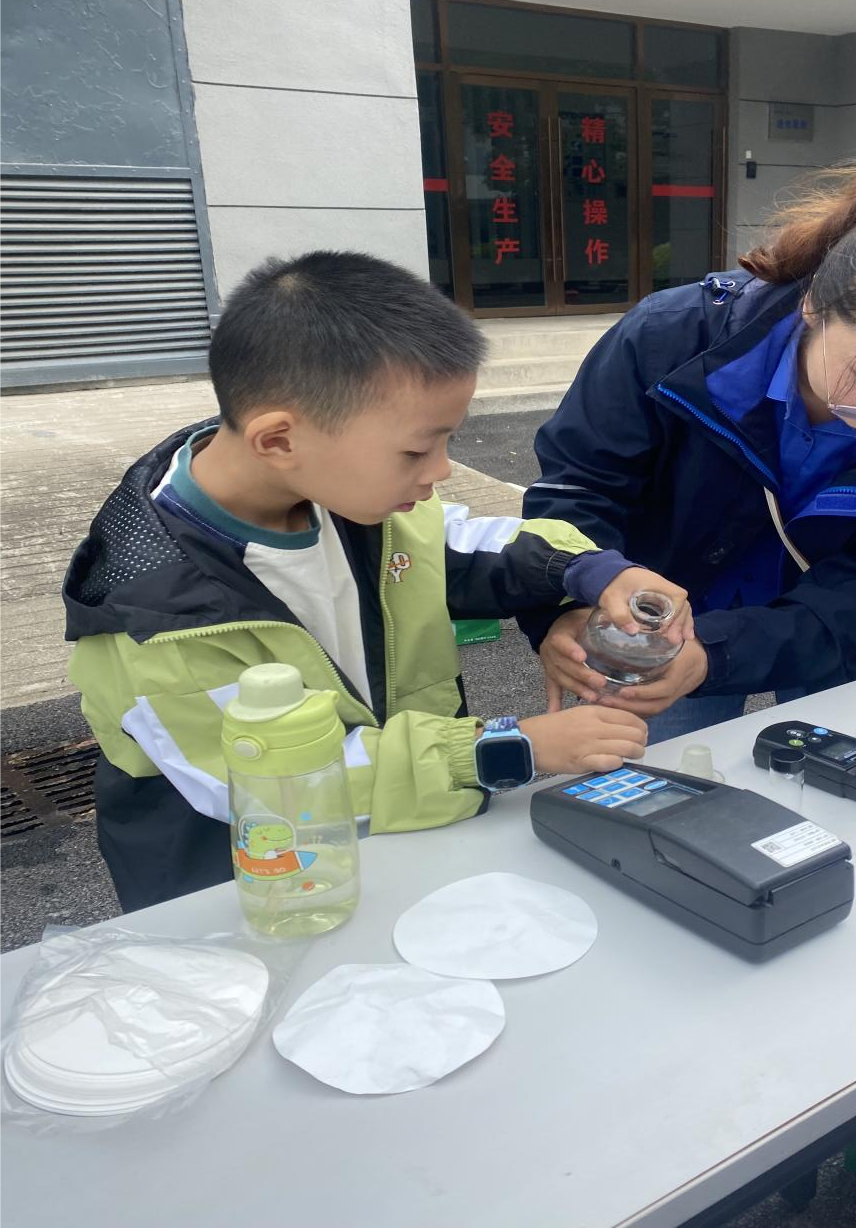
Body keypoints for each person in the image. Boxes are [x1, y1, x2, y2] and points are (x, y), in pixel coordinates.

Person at [63, 251, 689, 911]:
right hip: (254, 890)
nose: (439, 472)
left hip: (401, 839)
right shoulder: (153, 613)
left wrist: (595, 570)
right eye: (417, 450)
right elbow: (273, 782)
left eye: (446, 443)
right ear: (278, 440)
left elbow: (466, 543)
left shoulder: (349, 498)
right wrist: (506, 749)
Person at [520, 150, 856, 742]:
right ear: (816, 304)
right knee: (647, 777)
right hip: (651, 630)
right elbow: (579, 490)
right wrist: (567, 607)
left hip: (833, 636)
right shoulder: (673, 340)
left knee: (843, 788)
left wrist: (716, 656)